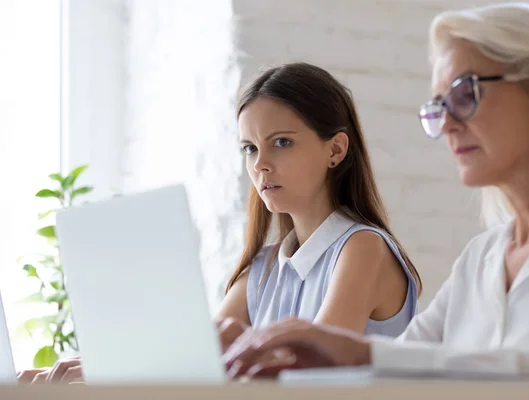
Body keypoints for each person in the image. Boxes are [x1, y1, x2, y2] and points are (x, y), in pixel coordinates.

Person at [222, 3, 529, 386]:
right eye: (439, 106)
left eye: (464, 93)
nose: (447, 124)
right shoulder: (480, 260)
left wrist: (354, 351)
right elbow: (405, 364)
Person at [18, 62, 422, 384]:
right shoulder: (262, 269)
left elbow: (313, 374)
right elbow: (195, 357)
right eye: (249, 148)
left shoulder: (362, 248)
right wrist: (101, 366)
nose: (260, 164)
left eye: (281, 142)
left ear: (335, 149)